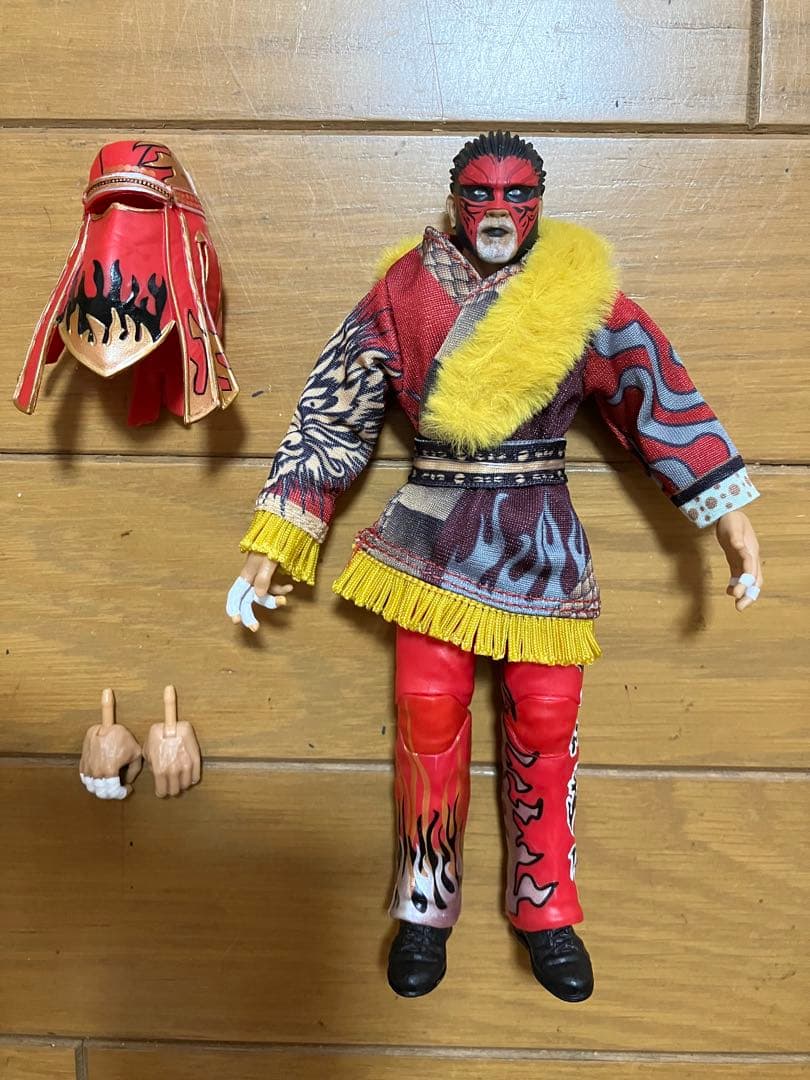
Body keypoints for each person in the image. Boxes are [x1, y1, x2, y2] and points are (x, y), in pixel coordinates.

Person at [228, 131, 762, 1001]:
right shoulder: (405, 290)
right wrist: (279, 532)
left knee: (548, 723)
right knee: (426, 718)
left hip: (538, 532)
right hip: (431, 532)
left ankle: (548, 907)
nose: (499, 211)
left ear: (540, 199)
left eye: (517, 195)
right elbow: (335, 411)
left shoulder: (580, 294)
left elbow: (655, 390)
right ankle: (424, 900)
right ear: (454, 200)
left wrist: (723, 508)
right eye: (480, 194)